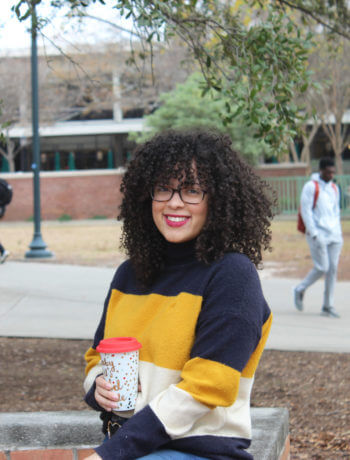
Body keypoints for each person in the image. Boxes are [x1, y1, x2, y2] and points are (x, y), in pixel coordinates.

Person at [83, 129, 275, 460]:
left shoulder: (232, 276)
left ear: (218, 199)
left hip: (197, 451)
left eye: (192, 190)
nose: (174, 202)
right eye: (163, 189)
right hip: (132, 446)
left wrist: (109, 454)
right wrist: (97, 385)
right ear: (146, 198)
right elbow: (95, 356)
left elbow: (206, 388)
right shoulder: (128, 274)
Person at [294, 157, 343, 318]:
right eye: (328, 172)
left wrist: (338, 232)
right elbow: (306, 212)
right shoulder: (311, 187)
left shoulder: (334, 188)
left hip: (334, 235)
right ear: (321, 171)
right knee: (323, 267)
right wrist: (314, 233)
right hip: (317, 234)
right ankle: (300, 288)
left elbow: (336, 211)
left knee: (332, 270)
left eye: (333, 172)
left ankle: (327, 306)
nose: (331, 175)